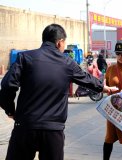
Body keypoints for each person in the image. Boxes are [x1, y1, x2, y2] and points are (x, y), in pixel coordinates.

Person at [0, 24, 112, 160]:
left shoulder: (25, 58)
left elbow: (6, 86)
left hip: (25, 127)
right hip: (53, 131)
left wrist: (11, 110)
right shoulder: (67, 63)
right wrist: (103, 87)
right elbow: (86, 79)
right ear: (59, 42)